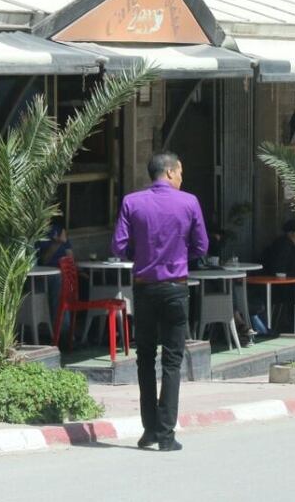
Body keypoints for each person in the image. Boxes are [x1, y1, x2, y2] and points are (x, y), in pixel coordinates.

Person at [112, 151, 207, 452]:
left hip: (144, 287)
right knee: (172, 360)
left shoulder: (131, 202)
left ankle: (149, 429)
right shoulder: (189, 202)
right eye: (179, 172)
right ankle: (166, 434)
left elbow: (118, 245)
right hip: (176, 287)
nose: (181, 178)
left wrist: (142, 256)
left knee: (144, 359)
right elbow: (202, 246)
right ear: (168, 172)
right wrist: (178, 255)